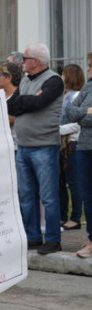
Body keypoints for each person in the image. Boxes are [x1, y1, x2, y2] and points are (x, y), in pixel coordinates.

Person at [7, 43, 64, 255]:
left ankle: (52, 239)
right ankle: (32, 236)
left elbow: (40, 102)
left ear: (36, 61)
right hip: (23, 147)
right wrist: (26, 101)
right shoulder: (24, 81)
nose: (22, 61)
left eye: (25, 58)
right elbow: (12, 104)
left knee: (48, 196)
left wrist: (25, 102)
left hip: (44, 146)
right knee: (27, 195)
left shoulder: (54, 80)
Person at [65, 55, 92, 258]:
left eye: (91, 66)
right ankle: (91, 241)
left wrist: (82, 114)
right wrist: (87, 111)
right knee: (87, 196)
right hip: (83, 147)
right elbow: (69, 112)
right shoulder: (88, 87)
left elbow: (79, 116)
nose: (88, 69)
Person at [59, 64, 84, 231]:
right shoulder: (65, 96)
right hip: (63, 143)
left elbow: (77, 123)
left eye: (63, 74)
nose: (61, 77)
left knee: (74, 183)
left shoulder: (77, 96)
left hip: (72, 143)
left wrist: (57, 130)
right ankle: (62, 216)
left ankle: (75, 218)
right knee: (61, 182)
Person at [0, 61, 23, 150]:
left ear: (9, 77)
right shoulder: (0, 97)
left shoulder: (20, 96)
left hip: (16, 146)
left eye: (0, 75)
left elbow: (13, 119)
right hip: (3, 147)